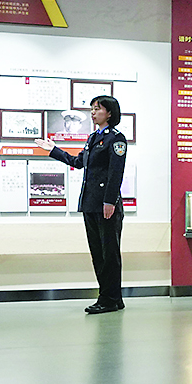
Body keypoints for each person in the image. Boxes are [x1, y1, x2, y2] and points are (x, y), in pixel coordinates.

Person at [38, 94, 127, 314]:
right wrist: (53, 150)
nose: (93, 113)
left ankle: (109, 299)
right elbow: (78, 162)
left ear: (109, 113)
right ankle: (112, 297)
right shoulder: (93, 138)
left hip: (106, 205)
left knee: (109, 254)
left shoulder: (116, 139)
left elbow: (116, 173)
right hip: (90, 204)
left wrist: (109, 201)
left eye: (97, 108)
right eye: (92, 109)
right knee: (98, 253)